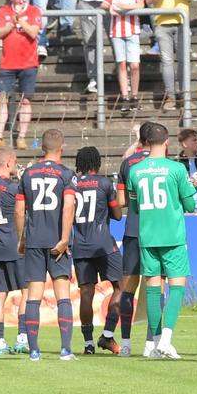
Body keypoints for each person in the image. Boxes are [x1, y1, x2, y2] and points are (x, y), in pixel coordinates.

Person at [125, 122, 197, 359]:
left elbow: (134, 206)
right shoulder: (176, 169)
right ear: (167, 142)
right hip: (172, 237)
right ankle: (166, 339)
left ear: (145, 142)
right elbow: (189, 204)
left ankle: (155, 344)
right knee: (177, 287)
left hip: (147, 237)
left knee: (153, 291)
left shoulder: (135, 170)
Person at [15, 129, 78, 361]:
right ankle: (65, 350)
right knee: (63, 294)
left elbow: (20, 210)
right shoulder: (66, 174)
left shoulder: (28, 173)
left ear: (42, 147)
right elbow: (69, 206)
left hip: (34, 240)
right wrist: (64, 239)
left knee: (33, 295)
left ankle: (33, 350)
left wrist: (22, 238)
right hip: (56, 240)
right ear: (62, 147)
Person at [70, 146, 123, 355]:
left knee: (86, 292)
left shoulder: (71, 186)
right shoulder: (104, 183)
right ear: (97, 162)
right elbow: (118, 214)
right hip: (103, 244)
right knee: (120, 287)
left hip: (80, 245)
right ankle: (108, 335)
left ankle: (88, 343)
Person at [113, 123, 155, 357]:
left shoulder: (128, 163)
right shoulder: (165, 165)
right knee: (155, 288)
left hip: (133, 230)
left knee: (128, 289)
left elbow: (121, 202)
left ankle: (126, 343)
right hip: (157, 233)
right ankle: (152, 344)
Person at [0, 145, 27, 355]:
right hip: (15, 244)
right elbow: (21, 211)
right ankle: (22, 338)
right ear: (8, 162)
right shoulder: (14, 187)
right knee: (26, 291)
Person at [146, 0, 197, 110]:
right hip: (162, 23)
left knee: (183, 61)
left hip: (182, 22)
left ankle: (185, 96)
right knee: (167, 62)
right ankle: (170, 97)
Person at [0, 0, 43, 149]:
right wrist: (11, 24)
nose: (21, 0)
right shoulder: (4, 11)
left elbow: (34, 33)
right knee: (2, 100)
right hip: (8, 63)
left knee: (26, 100)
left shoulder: (34, 11)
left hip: (28, 63)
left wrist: (21, 20)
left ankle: (21, 137)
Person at [103, 0, 145, 113]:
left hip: (132, 30)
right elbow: (105, 4)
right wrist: (109, 7)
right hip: (117, 31)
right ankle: (125, 97)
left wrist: (122, 6)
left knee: (134, 65)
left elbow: (140, 4)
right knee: (121, 64)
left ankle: (135, 95)